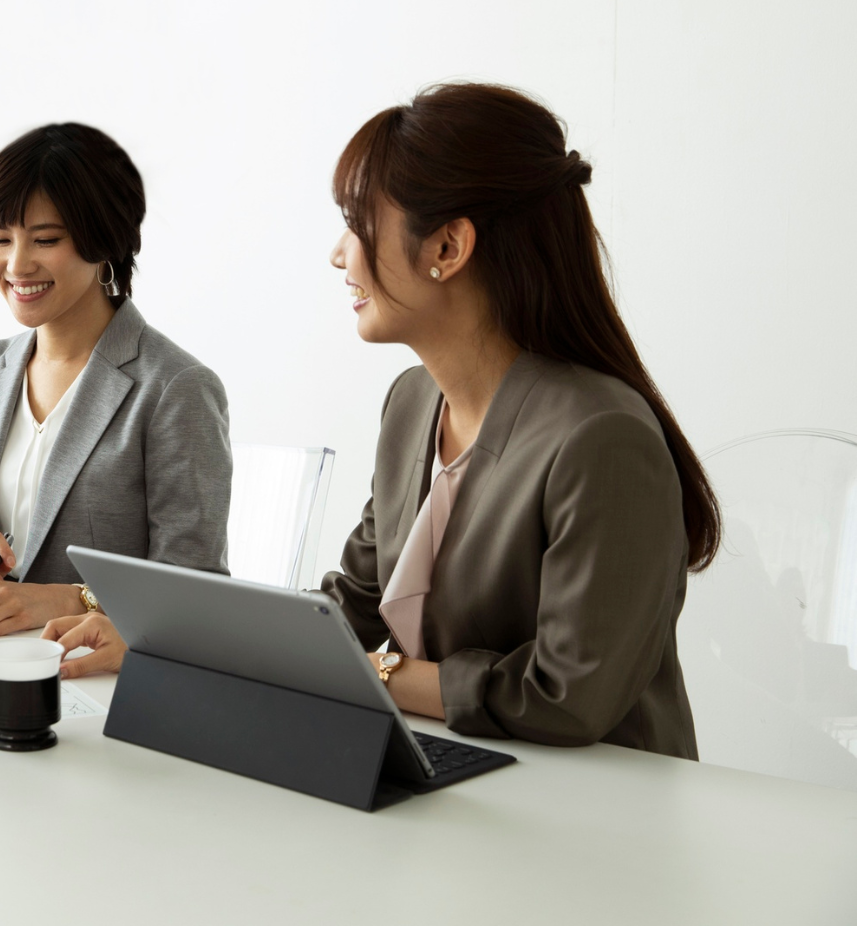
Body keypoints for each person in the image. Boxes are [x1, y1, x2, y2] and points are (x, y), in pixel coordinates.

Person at [44, 84, 715, 760]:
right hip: (460, 768)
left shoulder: (600, 437)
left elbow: (567, 698)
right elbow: (349, 607)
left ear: (447, 248)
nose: (340, 255)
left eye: (357, 222)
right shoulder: (412, 404)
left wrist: (378, 674)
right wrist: (175, 643)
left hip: (604, 813)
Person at [0, 123, 232, 636]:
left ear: (104, 239)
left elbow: (195, 590)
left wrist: (75, 600)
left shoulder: (175, 388)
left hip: (93, 678)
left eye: (46, 239)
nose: (16, 265)